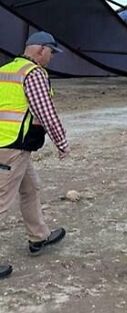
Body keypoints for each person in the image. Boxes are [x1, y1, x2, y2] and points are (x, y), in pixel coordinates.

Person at [0, 32, 70, 279]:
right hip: (12, 147)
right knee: (1, 201)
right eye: (51, 52)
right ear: (41, 50)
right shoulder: (34, 73)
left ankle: (38, 237)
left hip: (12, 145)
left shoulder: (7, 69)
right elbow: (46, 112)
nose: (51, 58)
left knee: (31, 189)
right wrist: (61, 142)